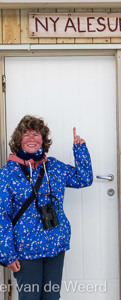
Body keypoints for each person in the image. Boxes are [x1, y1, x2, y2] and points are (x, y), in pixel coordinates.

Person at [0, 115, 93, 300]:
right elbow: (2, 215)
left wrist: (80, 149)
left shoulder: (54, 168)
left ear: (43, 140)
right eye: (26, 135)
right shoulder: (7, 174)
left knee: (52, 296)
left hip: (55, 244)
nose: (31, 139)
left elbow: (84, 178)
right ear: (19, 140)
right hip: (26, 249)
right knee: (30, 297)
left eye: (36, 134)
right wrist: (7, 254)